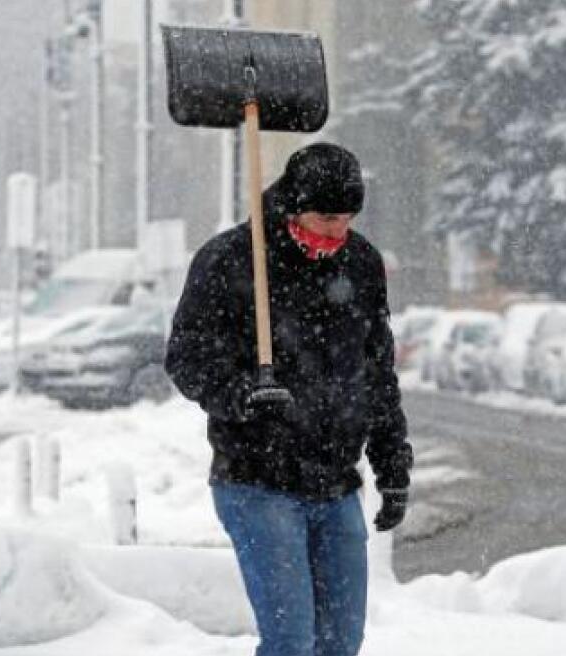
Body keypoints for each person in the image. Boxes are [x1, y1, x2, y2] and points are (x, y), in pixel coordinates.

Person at [166, 142, 413, 656]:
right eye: (326, 219)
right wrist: (241, 394)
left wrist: (391, 465)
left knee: (341, 642)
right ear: (295, 205)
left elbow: (377, 374)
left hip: (336, 481)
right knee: (291, 642)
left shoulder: (361, 263)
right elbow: (186, 358)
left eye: (346, 219)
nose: (336, 233)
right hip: (258, 480)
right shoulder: (233, 260)